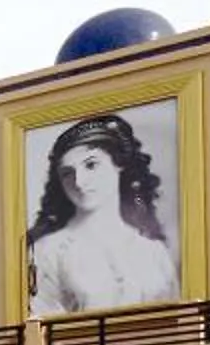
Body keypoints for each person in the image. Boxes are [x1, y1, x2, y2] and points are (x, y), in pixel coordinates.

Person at [26, 113, 177, 315]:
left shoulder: (154, 253)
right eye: (67, 173)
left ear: (119, 164)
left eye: (91, 165)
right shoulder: (48, 252)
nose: (79, 182)